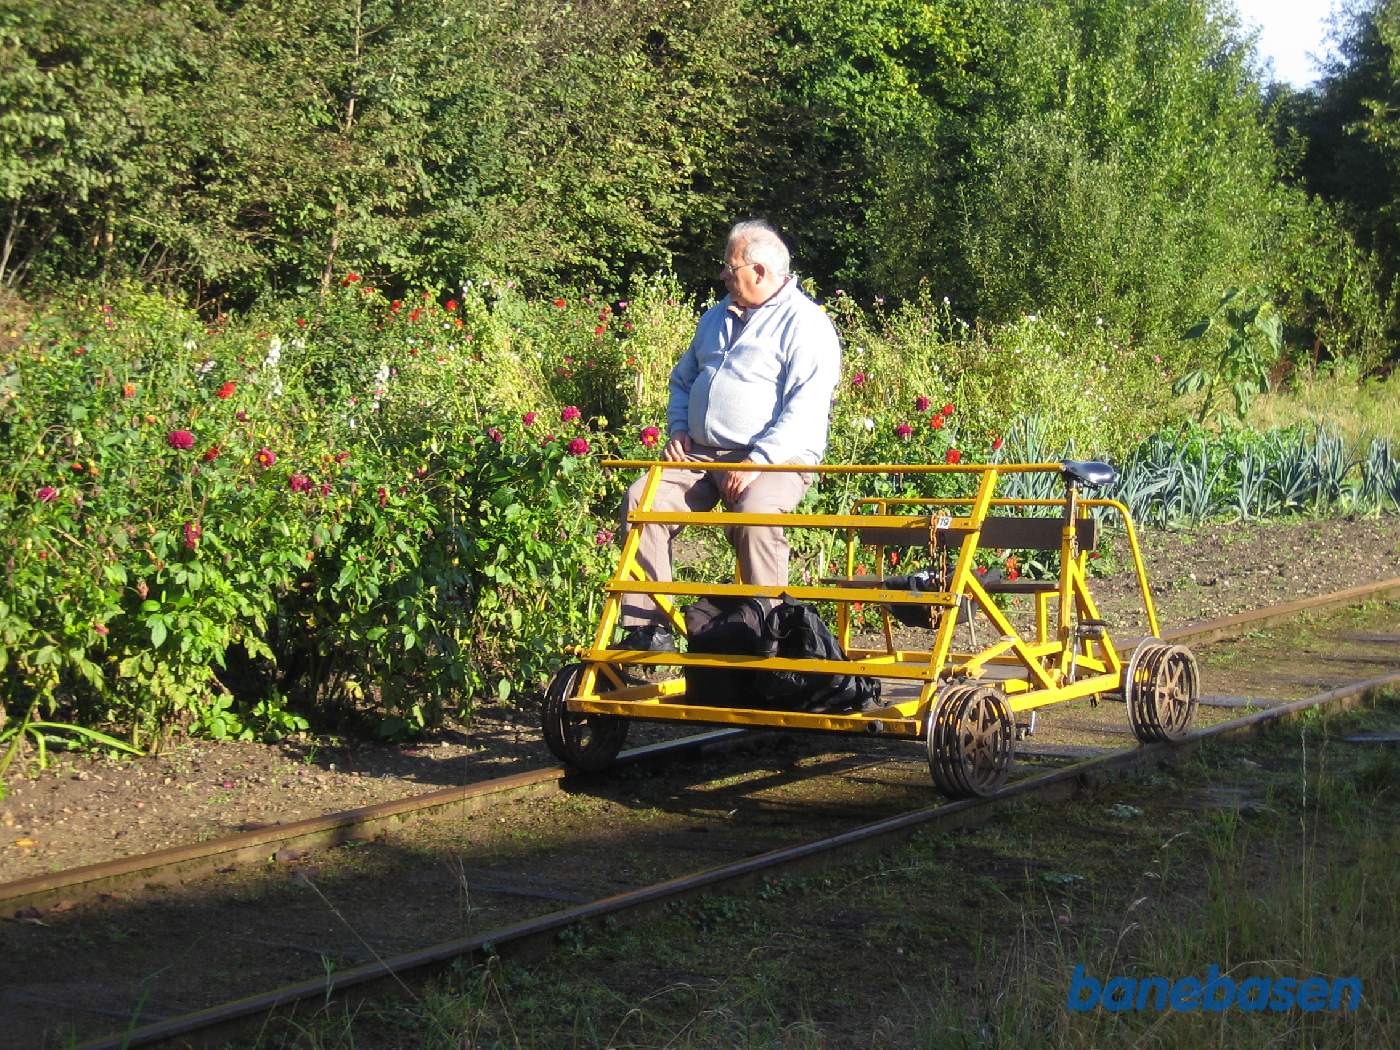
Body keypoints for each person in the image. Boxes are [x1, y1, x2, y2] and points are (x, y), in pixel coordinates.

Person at [618, 219, 842, 652]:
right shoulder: (715, 317)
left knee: (756, 516)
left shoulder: (806, 324)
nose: (723, 274)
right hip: (701, 454)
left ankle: (771, 635)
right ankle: (650, 629)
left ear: (759, 271)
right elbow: (683, 380)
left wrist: (758, 461)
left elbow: (806, 406)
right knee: (642, 502)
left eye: (730, 266)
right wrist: (679, 429)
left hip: (777, 457)